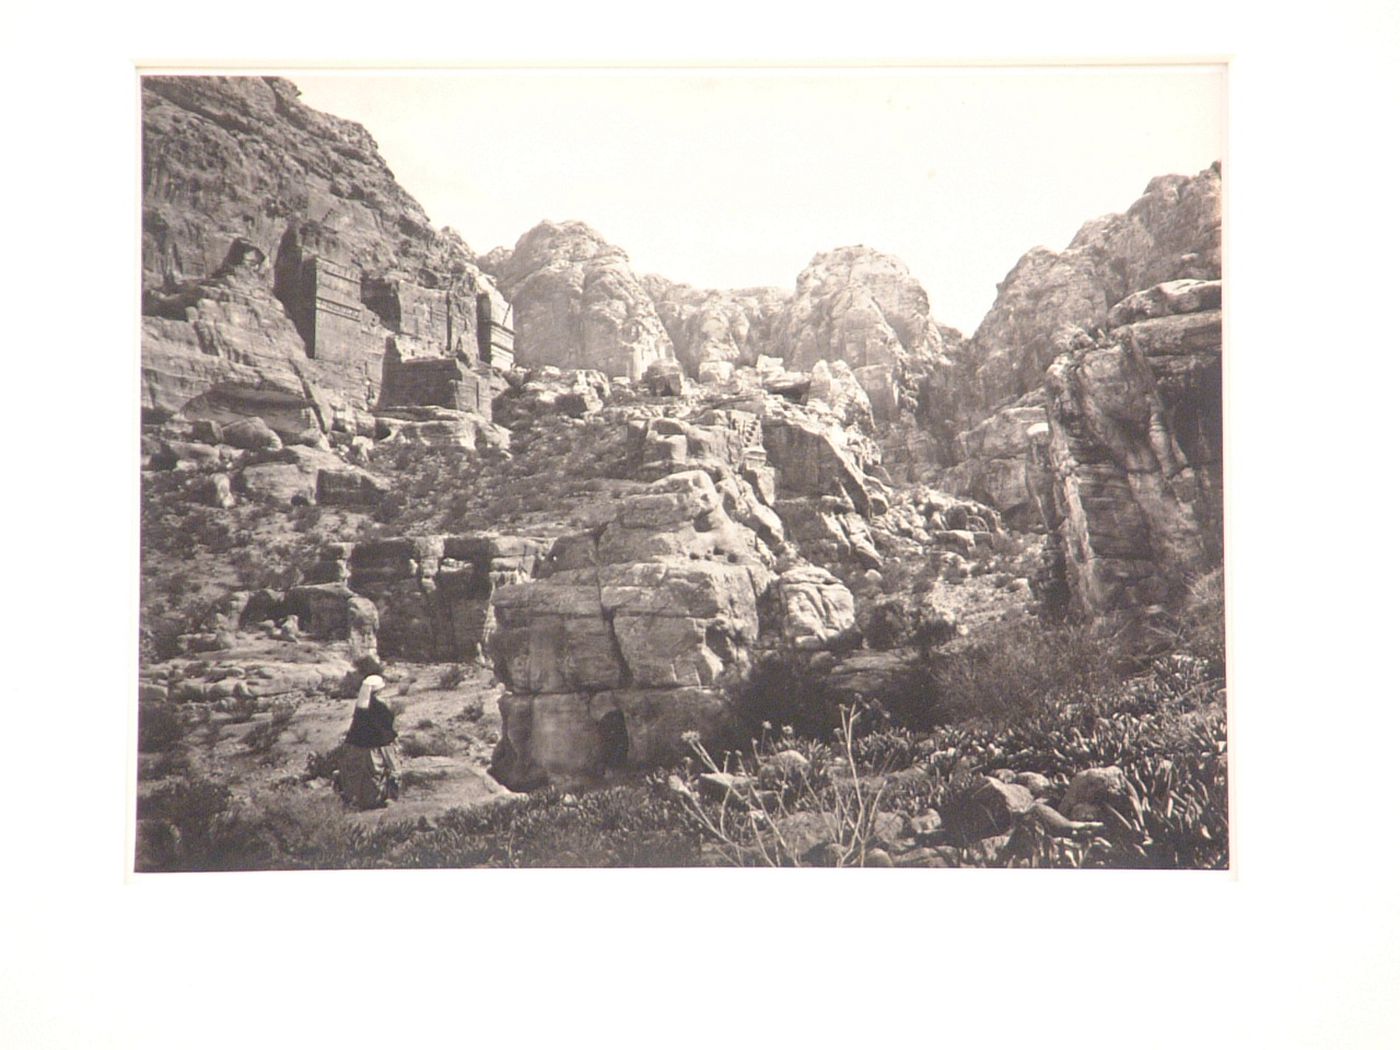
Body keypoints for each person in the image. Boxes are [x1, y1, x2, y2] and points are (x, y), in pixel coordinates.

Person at [336, 655, 402, 810]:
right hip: (378, 747)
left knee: (356, 774)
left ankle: (355, 800)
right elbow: (387, 725)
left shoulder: (361, 708)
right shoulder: (380, 706)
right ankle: (383, 798)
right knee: (384, 771)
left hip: (357, 746)